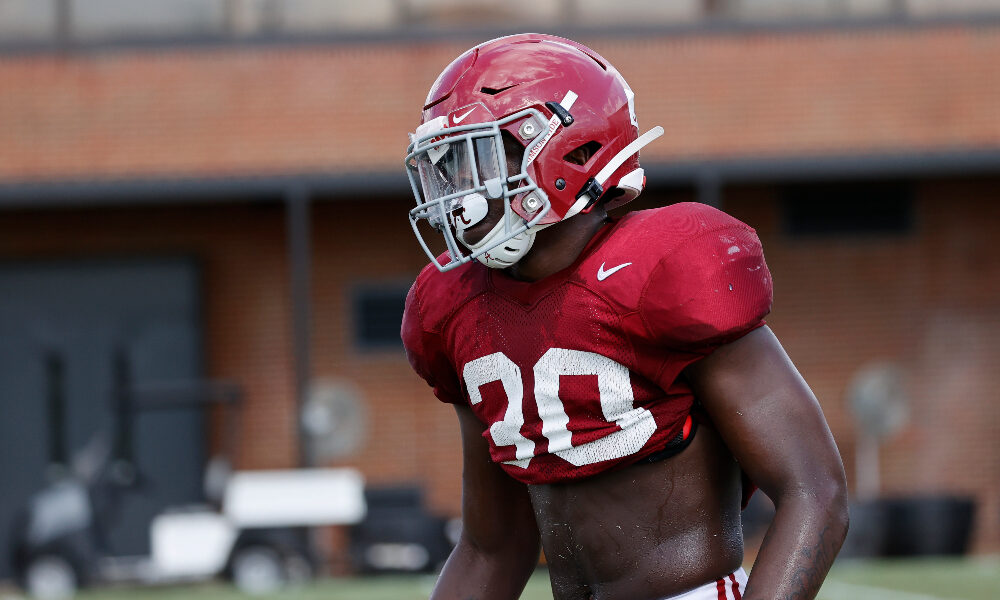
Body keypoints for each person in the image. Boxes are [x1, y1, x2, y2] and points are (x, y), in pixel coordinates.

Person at [400, 33, 848, 600]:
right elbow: (492, 545)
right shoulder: (458, 309)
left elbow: (815, 490)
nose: (455, 190)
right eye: (447, 167)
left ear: (573, 151)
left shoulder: (662, 268)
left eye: (477, 159)